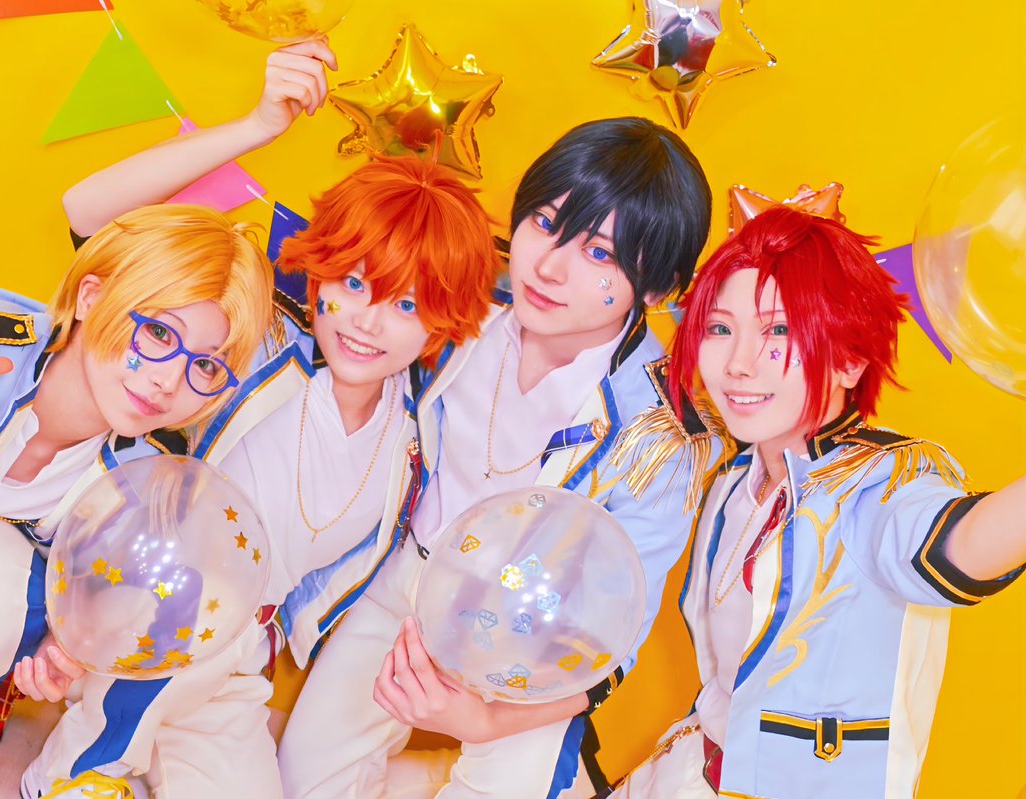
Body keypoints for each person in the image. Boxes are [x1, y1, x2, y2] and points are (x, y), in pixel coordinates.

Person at [11, 39, 502, 798]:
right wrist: (256, 126)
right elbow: (88, 215)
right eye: (354, 282)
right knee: (100, 764)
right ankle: (73, 775)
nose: (367, 320)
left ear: (443, 323)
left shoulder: (415, 431)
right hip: (149, 620)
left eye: (407, 304)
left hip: (239, 664)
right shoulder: (258, 343)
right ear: (322, 271)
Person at [276, 115, 722, 799]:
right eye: (545, 223)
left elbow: (615, 644)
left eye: (599, 254)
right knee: (303, 784)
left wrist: (485, 721)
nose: (548, 266)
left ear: (659, 288)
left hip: (537, 642)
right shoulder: (463, 295)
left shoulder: (662, 433)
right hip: (407, 580)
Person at [0, 204, 273, 799]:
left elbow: (85, 599)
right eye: (160, 333)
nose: (169, 381)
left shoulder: (144, 476)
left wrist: (64, 649)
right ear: (91, 296)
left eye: (207, 366)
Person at [613, 207, 1025, 798]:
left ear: (850, 359)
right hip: (689, 775)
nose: (738, 364)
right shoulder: (730, 482)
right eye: (720, 329)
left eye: (779, 331)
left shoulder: (877, 483)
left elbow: (961, 544)